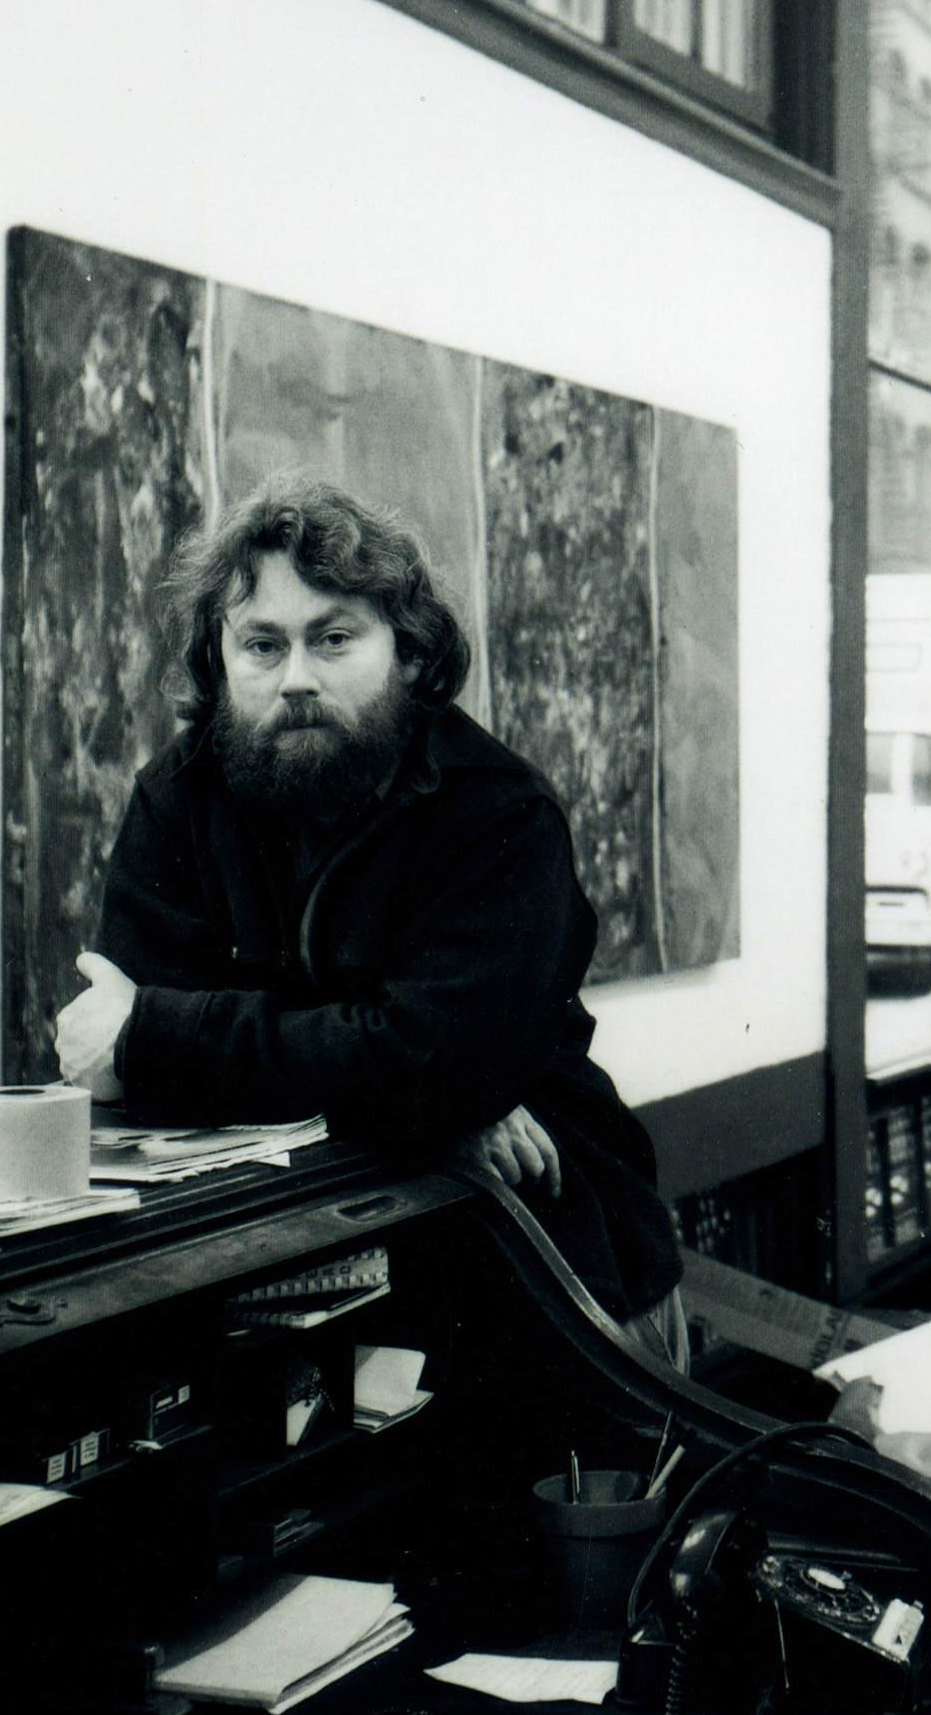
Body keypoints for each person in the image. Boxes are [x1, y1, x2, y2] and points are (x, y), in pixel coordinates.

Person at [52, 476, 686, 1362]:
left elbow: (434, 1065)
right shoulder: (177, 797)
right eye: (262, 644)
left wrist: (166, 1038)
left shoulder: (499, 812)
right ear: (217, 661)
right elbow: (146, 1072)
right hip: (289, 1288)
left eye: (334, 638)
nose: (297, 678)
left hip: (553, 1269)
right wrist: (416, 1100)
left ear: (410, 652)